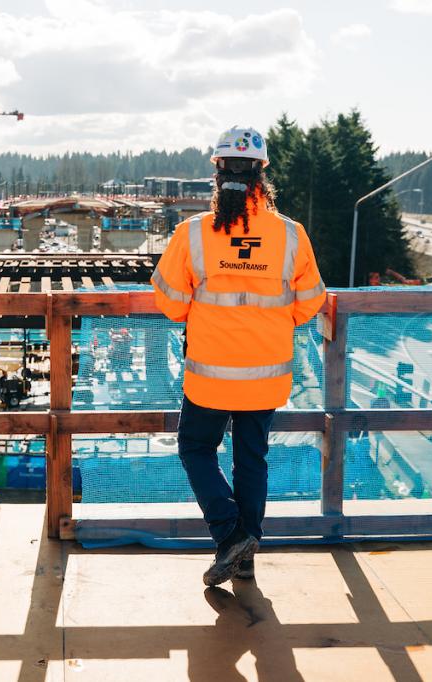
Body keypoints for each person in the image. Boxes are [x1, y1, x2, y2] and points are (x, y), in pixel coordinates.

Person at [151, 125, 326, 586]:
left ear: (217, 172)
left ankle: (229, 535)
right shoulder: (290, 234)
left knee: (195, 449)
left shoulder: (192, 234)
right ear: (261, 174)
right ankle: (245, 558)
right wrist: (269, 324)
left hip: (208, 375)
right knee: (252, 460)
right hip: (266, 374)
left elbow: (170, 303)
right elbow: (311, 301)